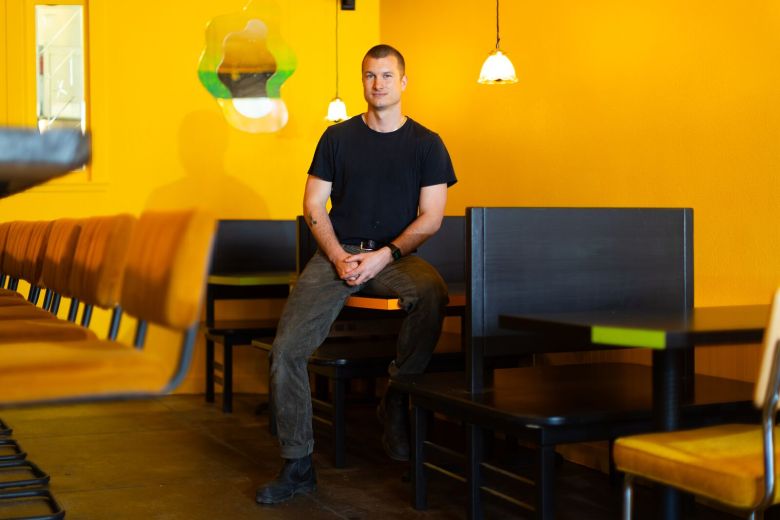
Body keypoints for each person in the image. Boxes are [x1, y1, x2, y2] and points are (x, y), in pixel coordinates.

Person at [256, 44, 457, 505]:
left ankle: (397, 397)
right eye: (370, 75)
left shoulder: (427, 144)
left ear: (403, 82)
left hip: (395, 257)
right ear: (362, 81)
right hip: (337, 254)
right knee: (286, 351)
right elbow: (313, 204)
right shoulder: (337, 138)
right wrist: (336, 254)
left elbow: (431, 218)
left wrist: (384, 255)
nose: (378, 83)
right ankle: (297, 465)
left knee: (432, 292)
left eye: (387, 75)